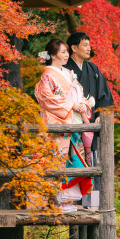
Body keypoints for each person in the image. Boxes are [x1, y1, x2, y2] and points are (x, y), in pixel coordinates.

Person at [34, 38, 94, 208]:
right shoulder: (47, 74)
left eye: (67, 51)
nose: (67, 55)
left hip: (72, 121)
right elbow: (47, 99)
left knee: (72, 160)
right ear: (53, 55)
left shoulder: (68, 73)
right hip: (58, 122)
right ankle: (54, 199)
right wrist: (72, 105)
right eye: (62, 52)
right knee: (58, 160)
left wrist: (82, 104)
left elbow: (79, 92)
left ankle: (67, 199)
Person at [65, 31, 114, 208]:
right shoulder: (64, 69)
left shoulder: (92, 69)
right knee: (73, 161)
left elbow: (104, 95)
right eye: (85, 45)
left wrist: (100, 114)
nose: (89, 48)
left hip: (91, 124)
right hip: (71, 123)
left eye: (89, 44)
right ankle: (72, 202)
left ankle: (92, 204)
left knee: (92, 163)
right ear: (73, 47)